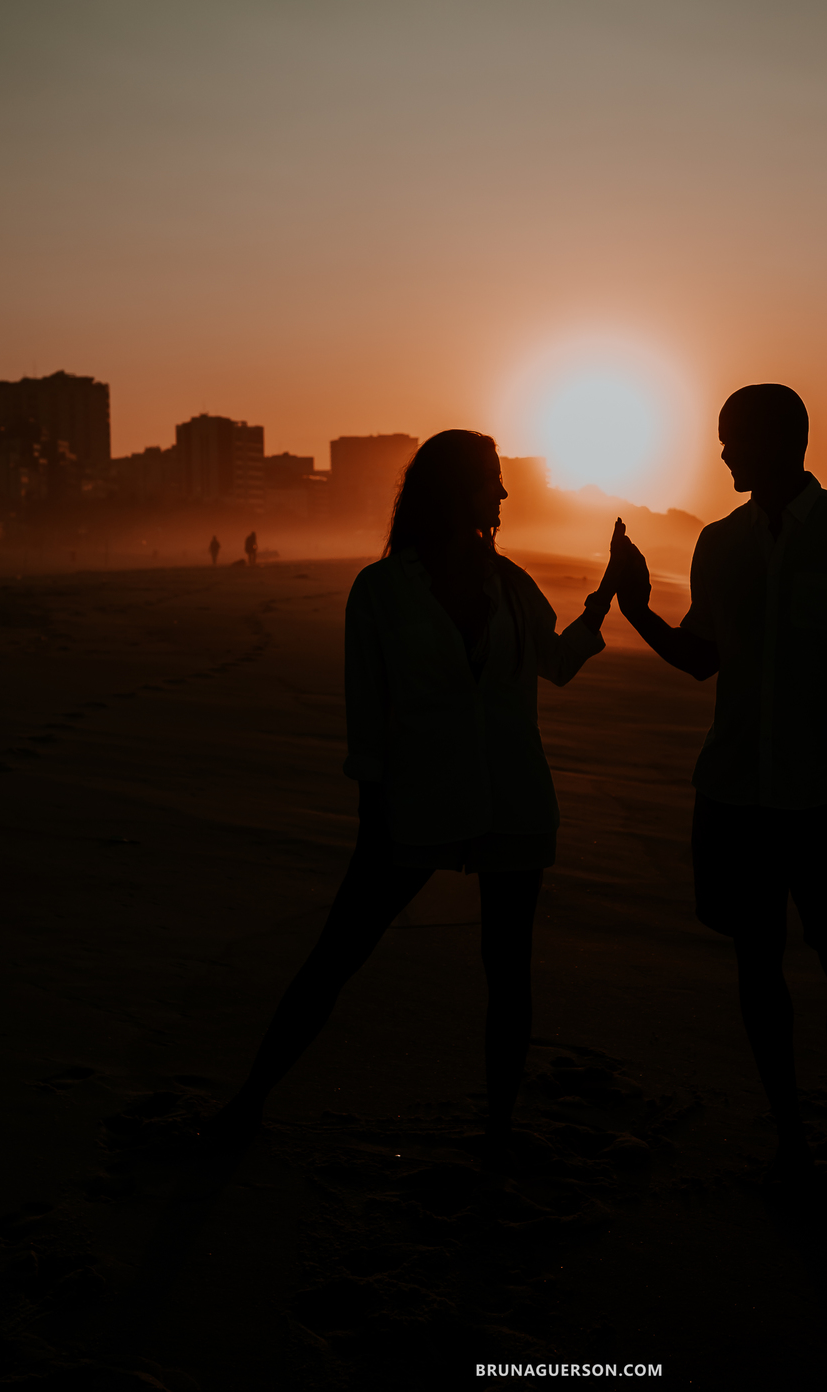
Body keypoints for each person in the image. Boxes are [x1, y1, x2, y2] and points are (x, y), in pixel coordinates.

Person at [205, 430, 619, 1169]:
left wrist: (605, 601)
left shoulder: (512, 583)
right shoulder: (382, 590)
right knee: (336, 954)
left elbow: (555, 665)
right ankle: (250, 1099)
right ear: (457, 489)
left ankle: (497, 1129)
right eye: (492, 479)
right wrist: (374, 814)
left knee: (509, 972)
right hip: (415, 802)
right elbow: (367, 717)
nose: (503, 493)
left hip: (514, 800)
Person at [608, 384, 827, 1211]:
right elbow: (701, 658)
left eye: (733, 440)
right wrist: (635, 606)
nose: (722, 455)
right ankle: (792, 1140)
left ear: (784, 438)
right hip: (737, 791)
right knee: (757, 967)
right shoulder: (719, 545)